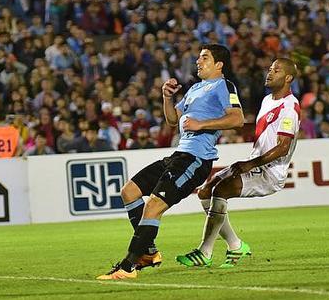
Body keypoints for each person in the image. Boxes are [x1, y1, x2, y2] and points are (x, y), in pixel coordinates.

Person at [97, 44, 244, 280]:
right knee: (129, 191)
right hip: (178, 156)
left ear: (219, 64)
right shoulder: (196, 88)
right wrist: (167, 97)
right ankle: (148, 252)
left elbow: (238, 119)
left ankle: (128, 266)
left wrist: (201, 125)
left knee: (153, 206)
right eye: (198, 58)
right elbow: (172, 120)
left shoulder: (224, 86)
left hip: (196, 159)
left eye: (205, 58)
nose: (198, 61)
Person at [176, 58, 300, 268]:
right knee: (206, 191)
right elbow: (263, 130)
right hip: (254, 163)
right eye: (269, 69)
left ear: (288, 78)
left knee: (221, 190)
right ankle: (236, 245)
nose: (269, 73)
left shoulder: (290, 106)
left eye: (276, 70)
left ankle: (204, 252)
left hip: (270, 172)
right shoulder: (268, 100)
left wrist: (250, 164)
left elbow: (282, 147)